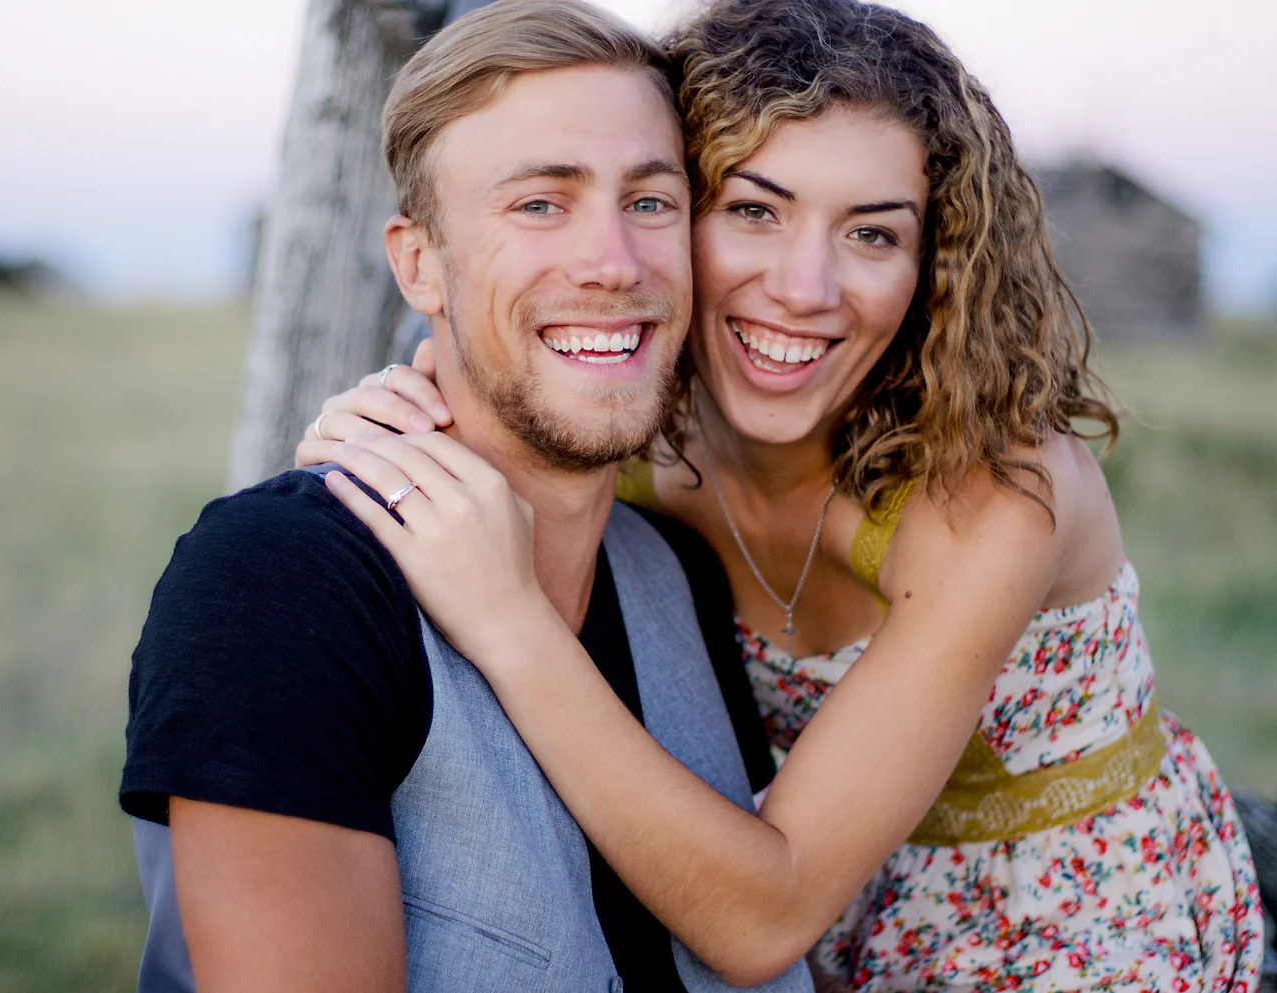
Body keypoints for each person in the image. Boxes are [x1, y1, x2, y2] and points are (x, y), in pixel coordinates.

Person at [302, 0, 1266, 988]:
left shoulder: (994, 489)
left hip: (1068, 928)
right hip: (806, 923)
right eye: (754, 211)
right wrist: (376, 432)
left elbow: (763, 919)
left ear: (934, 262)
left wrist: (510, 622)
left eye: (872, 234)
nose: (805, 288)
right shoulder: (639, 441)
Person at [118, 1, 815, 990]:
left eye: (651, 202)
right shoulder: (279, 582)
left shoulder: (682, 573)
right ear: (419, 264)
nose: (613, 263)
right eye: (540, 204)